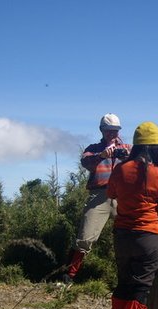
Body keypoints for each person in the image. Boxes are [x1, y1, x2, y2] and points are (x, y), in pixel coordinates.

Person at [107, 121, 158, 309]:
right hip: (149, 235)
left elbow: (112, 193)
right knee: (141, 287)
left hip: (122, 234)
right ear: (157, 147)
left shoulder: (120, 169)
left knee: (124, 282)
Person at [62, 113, 132, 284]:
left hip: (123, 195)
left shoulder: (128, 148)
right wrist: (101, 155)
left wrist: (128, 156)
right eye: (109, 131)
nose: (112, 134)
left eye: (115, 131)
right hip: (99, 195)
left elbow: (142, 166)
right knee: (85, 237)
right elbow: (86, 163)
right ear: (101, 130)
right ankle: (68, 276)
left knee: (130, 236)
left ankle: (129, 278)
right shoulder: (93, 149)